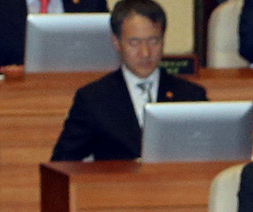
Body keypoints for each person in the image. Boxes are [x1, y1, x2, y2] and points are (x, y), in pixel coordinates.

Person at [47, 0, 208, 163]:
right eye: (134, 43)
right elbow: (61, 163)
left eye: (154, 41)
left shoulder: (191, 95)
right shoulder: (93, 99)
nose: (145, 53)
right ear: (116, 43)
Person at [0, 0, 109, 74]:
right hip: (12, 100)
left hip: (77, 97)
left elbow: (108, 54)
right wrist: (4, 75)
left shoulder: (90, 2)